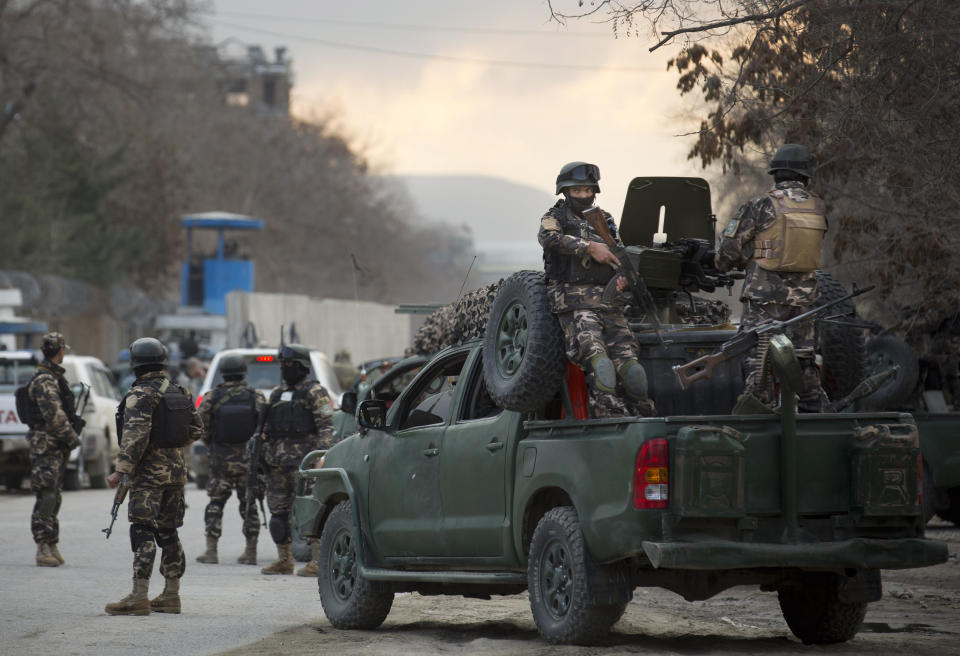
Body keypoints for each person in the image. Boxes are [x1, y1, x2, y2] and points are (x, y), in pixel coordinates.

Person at [715, 143, 828, 411]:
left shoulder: (761, 205)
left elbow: (727, 253)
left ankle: (758, 419)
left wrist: (735, 262)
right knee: (804, 362)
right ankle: (816, 416)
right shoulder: (818, 207)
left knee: (759, 364)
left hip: (765, 300)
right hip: (805, 300)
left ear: (775, 173)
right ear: (806, 176)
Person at [538, 161, 653, 418]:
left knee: (632, 368)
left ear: (594, 191)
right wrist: (589, 247)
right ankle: (609, 414)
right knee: (599, 362)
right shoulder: (554, 217)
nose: (582, 195)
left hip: (609, 300)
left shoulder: (605, 219)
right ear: (565, 192)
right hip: (574, 300)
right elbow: (548, 238)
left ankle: (643, 416)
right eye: (576, 191)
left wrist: (622, 276)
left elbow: (618, 252)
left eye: (587, 190)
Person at [104, 337, 203, 616]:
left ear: (135, 365)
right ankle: (171, 595)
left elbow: (134, 437)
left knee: (143, 529)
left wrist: (120, 471)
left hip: (147, 477)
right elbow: (196, 429)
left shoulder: (139, 395)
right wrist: (170, 449)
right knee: (169, 531)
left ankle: (138, 596)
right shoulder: (179, 391)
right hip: (176, 474)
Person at [254, 344, 333, 576]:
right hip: (277, 464)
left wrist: (320, 457)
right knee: (278, 514)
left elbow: (326, 427)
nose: (284, 368)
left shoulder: (315, 391)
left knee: (311, 511)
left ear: (301, 366)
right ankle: (284, 560)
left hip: (304, 463)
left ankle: (318, 561)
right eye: (282, 364)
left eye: (289, 364)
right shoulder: (276, 393)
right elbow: (265, 427)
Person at [194, 354, 265, 565]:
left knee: (215, 504)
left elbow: (200, 426)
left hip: (220, 461)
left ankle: (211, 551)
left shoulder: (212, 397)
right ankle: (251, 552)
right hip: (248, 461)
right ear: (244, 372)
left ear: (223, 373)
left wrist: (212, 445)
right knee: (249, 504)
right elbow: (263, 426)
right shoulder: (256, 396)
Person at [25, 332, 81, 567]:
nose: (65, 352)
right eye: (64, 349)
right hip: (46, 445)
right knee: (47, 495)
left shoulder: (53, 377)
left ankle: (52, 542)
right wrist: (72, 438)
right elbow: (55, 417)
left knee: (54, 495)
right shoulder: (45, 380)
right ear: (59, 351)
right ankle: (42, 547)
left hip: (53, 444)